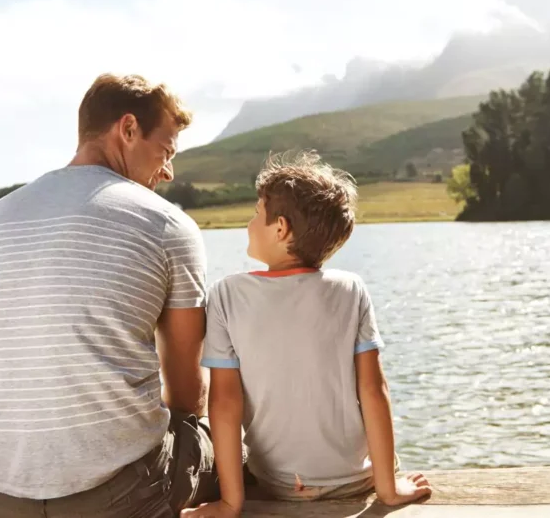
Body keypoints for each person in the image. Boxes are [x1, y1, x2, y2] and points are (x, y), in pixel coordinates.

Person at [0, 73, 217, 518]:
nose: (169, 170)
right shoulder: (167, 225)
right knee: (227, 434)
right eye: (167, 150)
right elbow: (186, 390)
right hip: (119, 497)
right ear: (129, 129)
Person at [183, 152, 432, 517]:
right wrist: (388, 489)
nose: (250, 222)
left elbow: (224, 404)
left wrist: (230, 502)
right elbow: (373, 391)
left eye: (256, 213)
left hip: (279, 482)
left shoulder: (225, 294)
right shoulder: (352, 289)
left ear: (280, 228)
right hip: (355, 478)